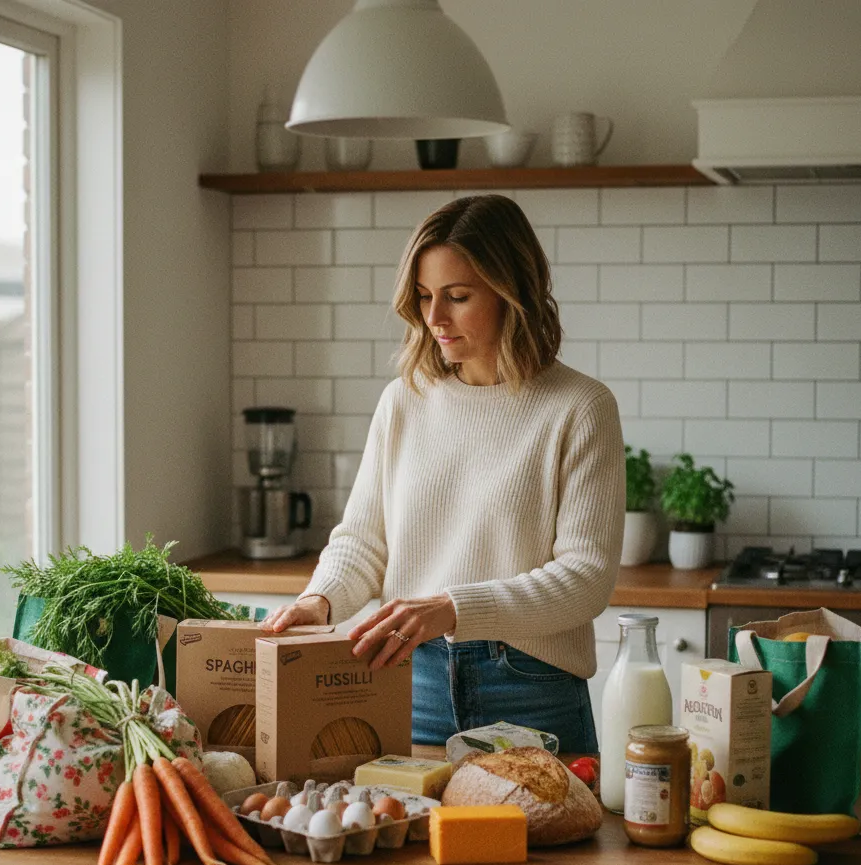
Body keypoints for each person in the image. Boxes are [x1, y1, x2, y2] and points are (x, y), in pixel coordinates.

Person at [261, 194, 625, 753]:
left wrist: (452, 608)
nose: (434, 318)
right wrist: (321, 601)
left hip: (530, 686)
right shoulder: (403, 401)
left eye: (457, 296)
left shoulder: (579, 406)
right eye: (426, 297)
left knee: (554, 840)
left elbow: (585, 577)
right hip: (409, 678)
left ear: (514, 292)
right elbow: (363, 541)